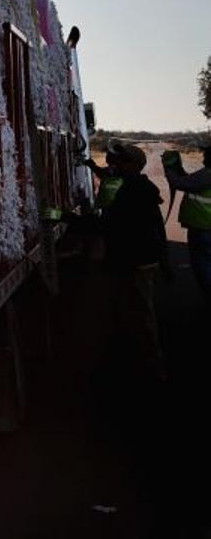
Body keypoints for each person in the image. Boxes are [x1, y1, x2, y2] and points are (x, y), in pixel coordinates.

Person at [100, 141, 167, 379]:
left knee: (140, 313)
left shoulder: (134, 190)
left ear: (134, 165)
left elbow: (109, 225)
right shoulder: (136, 186)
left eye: (120, 161)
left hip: (137, 261)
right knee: (130, 310)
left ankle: (152, 364)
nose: (113, 165)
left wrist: (63, 216)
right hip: (134, 259)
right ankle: (140, 360)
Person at [161, 142, 211, 306]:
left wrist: (168, 168)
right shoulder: (205, 175)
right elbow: (191, 181)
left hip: (203, 227)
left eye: (207, 154)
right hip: (205, 227)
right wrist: (179, 169)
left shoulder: (208, 174)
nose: (204, 157)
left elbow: (180, 183)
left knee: (203, 265)